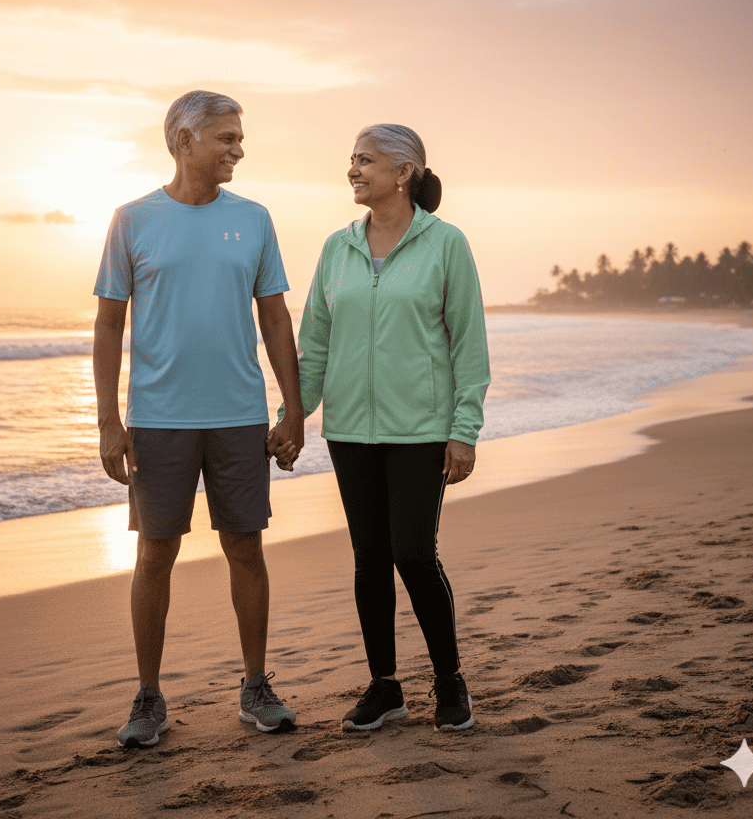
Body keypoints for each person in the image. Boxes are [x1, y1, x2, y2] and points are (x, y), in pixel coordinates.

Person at [93, 90, 305, 748]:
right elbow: (107, 324)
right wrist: (107, 422)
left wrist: (292, 408)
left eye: (239, 138)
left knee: (246, 547)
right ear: (184, 140)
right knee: (155, 553)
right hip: (158, 420)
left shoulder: (255, 218)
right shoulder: (132, 220)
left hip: (239, 415)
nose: (238, 149)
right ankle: (149, 696)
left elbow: (273, 317)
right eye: (227, 138)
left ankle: (255, 685)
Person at [268, 123, 490, 734]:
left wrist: (464, 429)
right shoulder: (337, 249)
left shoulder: (447, 244)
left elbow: (469, 343)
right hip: (351, 432)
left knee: (414, 555)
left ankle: (450, 681)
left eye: (366, 160)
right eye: (351, 159)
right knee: (370, 559)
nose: (353, 170)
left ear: (403, 173)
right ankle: (385, 686)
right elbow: (315, 342)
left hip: (421, 429)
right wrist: (295, 415)